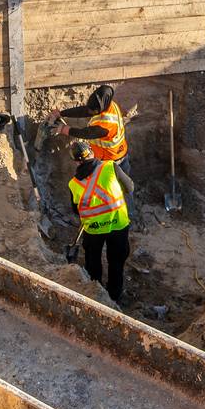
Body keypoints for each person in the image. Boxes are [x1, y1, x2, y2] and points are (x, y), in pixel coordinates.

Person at [67, 141, 131, 303]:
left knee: (92, 261)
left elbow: (76, 210)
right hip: (118, 224)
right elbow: (130, 187)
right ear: (92, 153)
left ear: (76, 161)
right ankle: (115, 296)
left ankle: (97, 295)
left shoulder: (73, 184)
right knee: (116, 262)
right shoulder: (110, 167)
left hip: (93, 229)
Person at [49, 84, 133, 192]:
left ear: (99, 108)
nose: (90, 112)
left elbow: (86, 133)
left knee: (118, 193)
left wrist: (63, 129)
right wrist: (61, 114)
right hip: (118, 155)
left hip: (113, 163)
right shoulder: (107, 105)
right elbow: (85, 110)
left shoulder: (106, 125)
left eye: (92, 110)